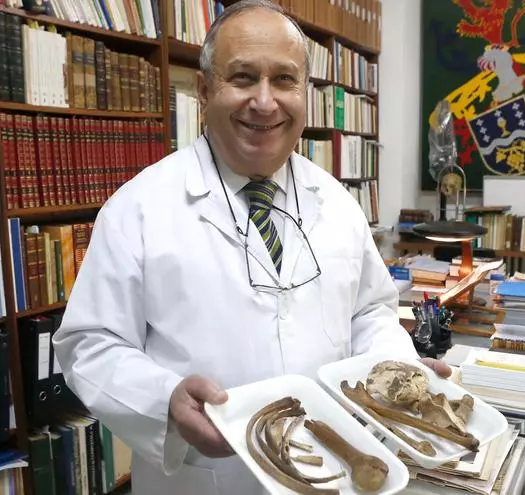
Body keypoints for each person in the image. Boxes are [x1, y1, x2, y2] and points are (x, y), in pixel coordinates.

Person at [51, 1, 452, 494]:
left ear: (304, 92)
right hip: (208, 478)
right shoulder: (138, 208)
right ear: (204, 91)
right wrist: (165, 399)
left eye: (284, 80)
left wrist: (396, 369)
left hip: (334, 466)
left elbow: (369, 313)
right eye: (242, 78)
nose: (264, 102)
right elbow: (90, 344)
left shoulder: (337, 203)